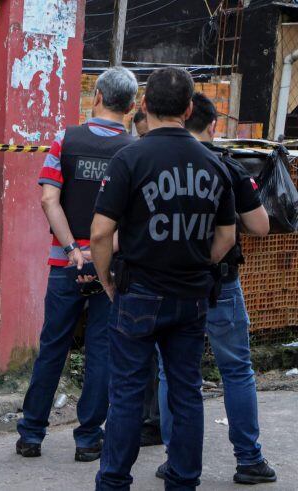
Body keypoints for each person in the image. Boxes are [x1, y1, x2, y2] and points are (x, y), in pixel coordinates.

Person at [90, 67, 237, 490]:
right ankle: (183, 481)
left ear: (143, 106)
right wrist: (196, 260)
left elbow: (100, 232)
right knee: (186, 392)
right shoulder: (214, 163)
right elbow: (227, 235)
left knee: (127, 394)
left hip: (138, 291)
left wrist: (107, 280)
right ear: (189, 109)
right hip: (191, 295)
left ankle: (115, 481)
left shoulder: (130, 159)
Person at [15, 67, 138, 462]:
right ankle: (88, 439)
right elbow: (135, 217)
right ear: (132, 106)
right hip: (112, 267)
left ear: (97, 95)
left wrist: (73, 251)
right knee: (102, 349)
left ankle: (31, 434)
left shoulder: (65, 139)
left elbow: (49, 199)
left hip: (65, 263)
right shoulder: (135, 151)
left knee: (53, 345)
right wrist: (103, 252)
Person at [154, 92, 276, 485]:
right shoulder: (227, 168)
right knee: (236, 369)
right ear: (210, 126)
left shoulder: (151, 164)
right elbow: (260, 226)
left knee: (170, 373)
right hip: (219, 281)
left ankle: (175, 457)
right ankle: (248, 459)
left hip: (167, 282)